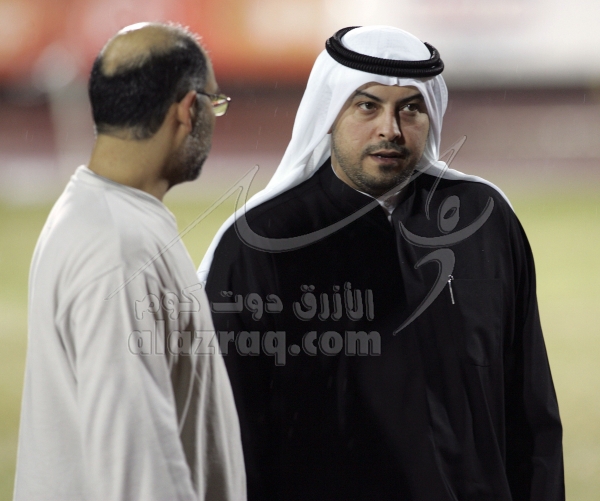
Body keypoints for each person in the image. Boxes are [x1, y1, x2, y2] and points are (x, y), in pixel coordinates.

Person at [200, 26, 564, 500]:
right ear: (330, 111)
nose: (390, 129)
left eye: (410, 108)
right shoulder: (261, 243)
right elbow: (227, 435)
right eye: (367, 106)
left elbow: (530, 411)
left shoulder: (483, 220)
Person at [14, 22, 245, 501]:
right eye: (215, 103)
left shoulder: (103, 216)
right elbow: (138, 475)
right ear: (188, 109)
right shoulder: (119, 248)